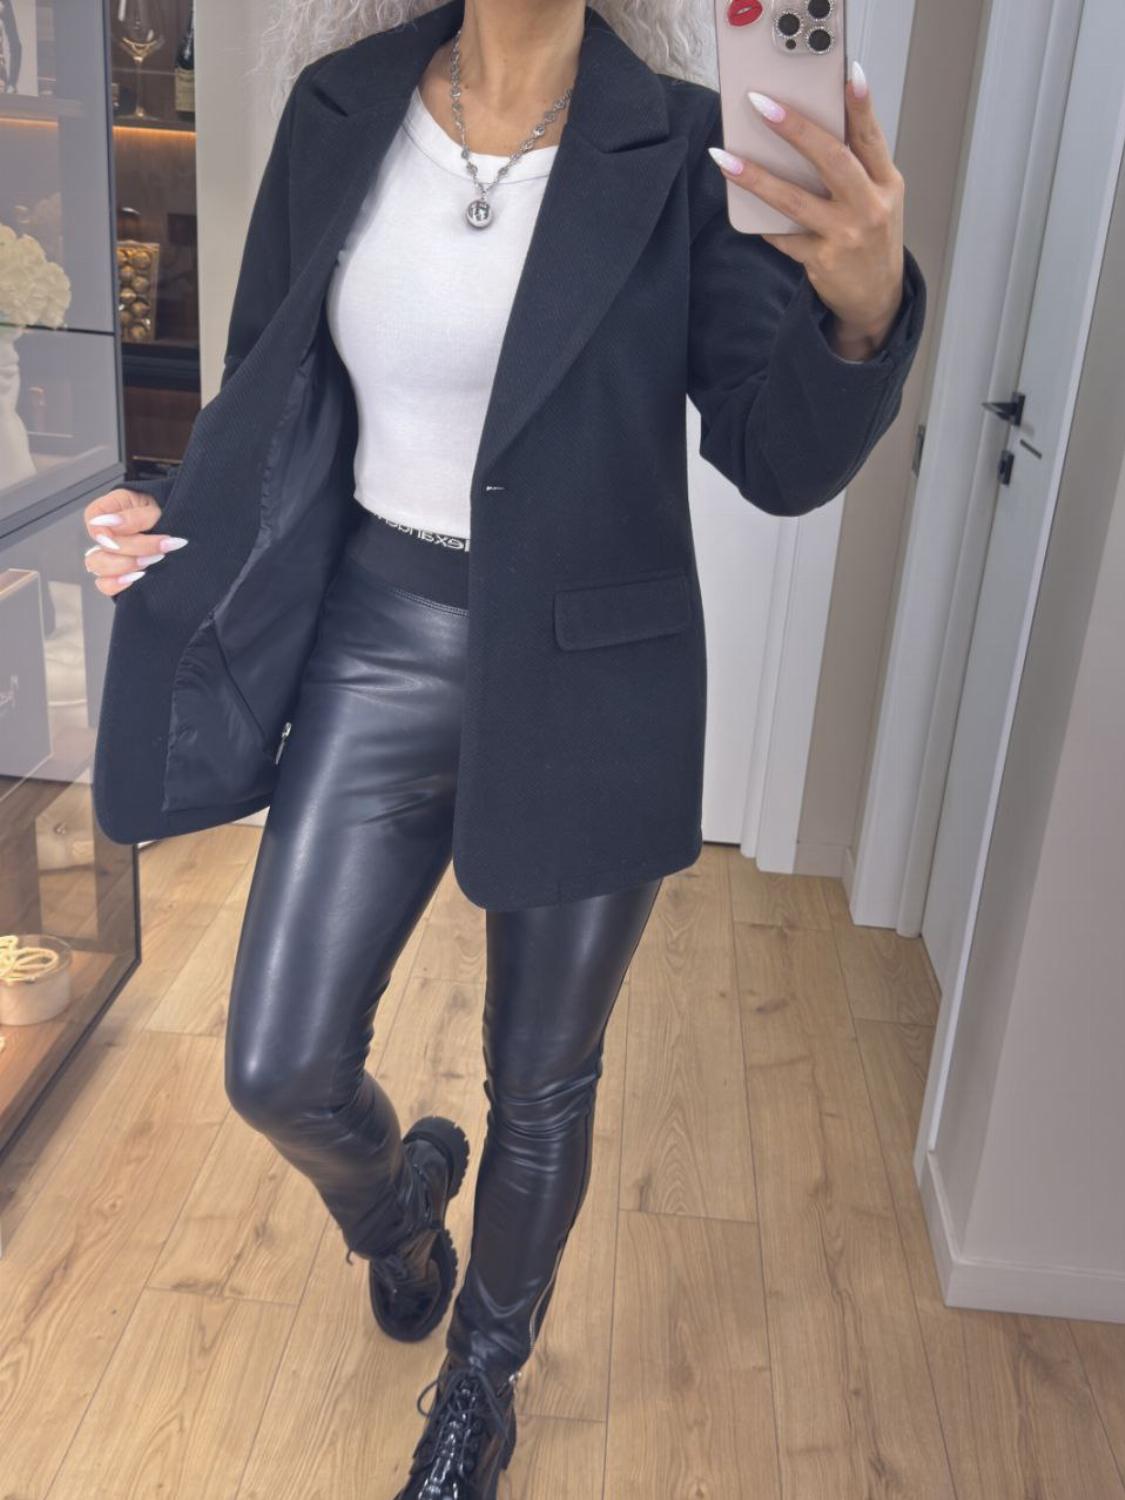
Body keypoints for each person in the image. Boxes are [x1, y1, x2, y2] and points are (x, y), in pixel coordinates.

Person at [85, 2, 926, 1494]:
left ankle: (479, 1384)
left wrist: (860, 314)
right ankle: (402, 1215)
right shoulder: (341, 105)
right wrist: (169, 516)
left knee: (540, 1081)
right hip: (372, 638)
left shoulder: (683, 151)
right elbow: (267, 381)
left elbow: (779, 458)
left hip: (596, 677)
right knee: (278, 1066)